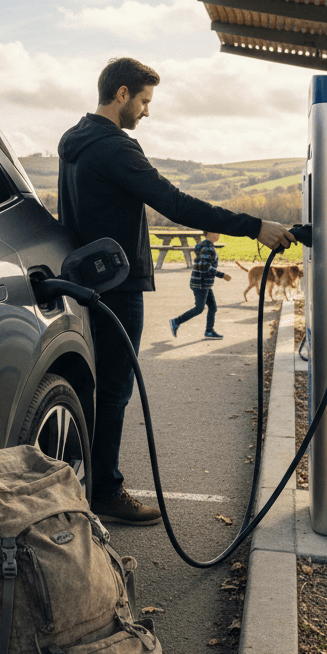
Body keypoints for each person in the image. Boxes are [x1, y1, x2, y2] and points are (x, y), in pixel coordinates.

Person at [57, 57, 295, 525]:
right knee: (115, 392)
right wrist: (255, 227)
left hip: (87, 279)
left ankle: (77, 485)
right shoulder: (114, 148)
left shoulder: (73, 143)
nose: (147, 111)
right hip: (118, 284)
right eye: (144, 101)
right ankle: (104, 491)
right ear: (122, 94)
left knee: (94, 387)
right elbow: (175, 203)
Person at [169, 231, 232, 340]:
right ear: (209, 233)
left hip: (203, 283)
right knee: (199, 308)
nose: (218, 235)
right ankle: (176, 321)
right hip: (201, 284)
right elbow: (203, 266)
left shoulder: (206, 245)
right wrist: (222, 275)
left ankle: (209, 331)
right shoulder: (208, 247)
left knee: (212, 307)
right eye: (216, 233)